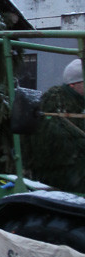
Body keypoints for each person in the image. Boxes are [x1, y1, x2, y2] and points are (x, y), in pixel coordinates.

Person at [23, 57, 85, 193]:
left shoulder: (77, 103)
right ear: (74, 84)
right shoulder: (55, 102)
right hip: (61, 174)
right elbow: (55, 143)